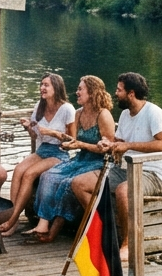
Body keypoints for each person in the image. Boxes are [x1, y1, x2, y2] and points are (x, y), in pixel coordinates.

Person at [71, 72, 162, 254]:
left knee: (123, 191)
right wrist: (108, 142)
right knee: (79, 183)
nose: (115, 93)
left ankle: (128, 244)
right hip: (123, 169)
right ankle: (103, 230)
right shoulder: (125, 114)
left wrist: (128, 146)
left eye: (119, 90)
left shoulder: (153, 112)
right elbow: (120, 140)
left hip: (151, 173)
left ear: (131, 93)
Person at [25, 75, 116, 243]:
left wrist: (79, 144)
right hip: (80, 158)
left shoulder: (104, 115)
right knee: (48, 175)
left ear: (92, 92)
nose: (77, 92)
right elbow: (71, 138)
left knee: (67, 183)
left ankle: (53, 233)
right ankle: (43, 223)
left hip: (98, 162)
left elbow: (108, 150)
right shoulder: (78, 113)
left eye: (81, 89)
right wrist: (64, 141)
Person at [0, 73, 75, 235]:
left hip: (59, 153)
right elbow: (35, 136)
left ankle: (12, 219)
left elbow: (72, 140)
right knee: (19, 169)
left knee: (29, 174)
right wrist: (28, 127)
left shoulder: (67, 109)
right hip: (43, 149)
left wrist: (52, 132)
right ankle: (13, 219)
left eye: (46, 85)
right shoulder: (39, 107)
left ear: (57, 87)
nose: (42, 88)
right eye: (41, 84)